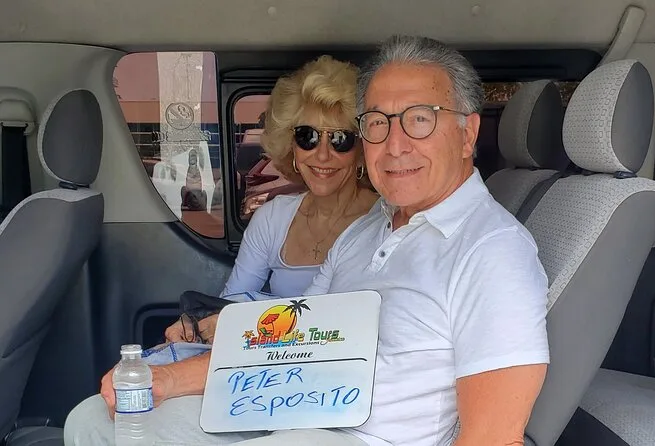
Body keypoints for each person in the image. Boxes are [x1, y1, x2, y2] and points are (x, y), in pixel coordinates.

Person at [64, 36, 549, 446]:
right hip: (283, 408)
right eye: (377, 123)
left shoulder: (494, 251)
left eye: (420, 119)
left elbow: (494, 437)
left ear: (467, 134)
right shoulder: (365, 231)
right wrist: (168, 378)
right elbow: (286, 342)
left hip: (356, 437)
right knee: (96, 420)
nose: (395, 145)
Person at [163, 55, 378, 343]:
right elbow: (232, 304)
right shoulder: (273, 218)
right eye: (308, 137)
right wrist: (196, 327)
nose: (323, 154)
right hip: (273, 358)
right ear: (291, 145)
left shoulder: (386, 221)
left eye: (341, 139)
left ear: (362, 149)